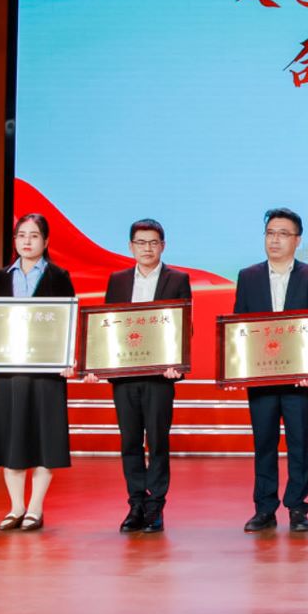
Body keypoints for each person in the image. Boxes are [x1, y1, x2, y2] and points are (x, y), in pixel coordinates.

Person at [0, 213, 75, 532]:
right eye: (21, 235)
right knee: (11, 437)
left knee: (44, 439)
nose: (27, 241)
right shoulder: (1, 276)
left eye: (34, 236)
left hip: (46, 372)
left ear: (46, 241)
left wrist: (67, 358)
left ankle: (35, 507)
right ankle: (16, 507)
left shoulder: (58, 276)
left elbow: (67, 322)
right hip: (7, 370)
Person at [233, 208, 308, 533]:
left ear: (297, 240)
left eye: (283, 234)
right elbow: (239, 327)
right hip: (261, 378)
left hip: (300, 380)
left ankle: (298, 508)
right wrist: (239, 369)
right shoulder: (248, 276)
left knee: (299, 444)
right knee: (264, 444)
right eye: (270, 233)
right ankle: (264, 509)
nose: (275, 240)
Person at [100, 218, 190, 533]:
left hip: (159, 377)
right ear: (131, 246)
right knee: (130, 442)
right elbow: (107, 325)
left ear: (162, 246)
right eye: (141, 242)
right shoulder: (118, 280)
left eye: (153, 242)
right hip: (125, 376)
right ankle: (136, 504)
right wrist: (102, 364)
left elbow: (183, 326)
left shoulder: (177, 279)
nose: (147, 248)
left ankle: (155, 508)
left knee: (158, 441)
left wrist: (177, 364)